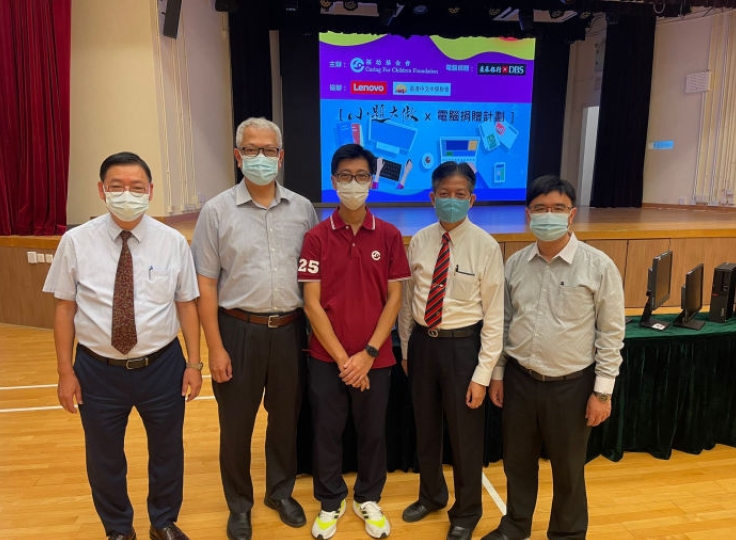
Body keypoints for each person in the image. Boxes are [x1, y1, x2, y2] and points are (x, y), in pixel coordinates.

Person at [43, 151, 203, 540]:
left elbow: (186, 304)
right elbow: (64, 308)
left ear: (151, 191)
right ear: (102, 190)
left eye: (136, 187)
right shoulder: (76, 242)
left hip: (162, 365)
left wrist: (194, 364)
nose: (127, 194)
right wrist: (65, 372)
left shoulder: (173, 242)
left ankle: (163, 521)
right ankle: (118, 529)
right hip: (97, 370)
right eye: (117, 187)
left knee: (167, 451)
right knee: (104, 457)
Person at [191, 117, 318, 540]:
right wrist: (215, 347)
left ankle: (279, 493)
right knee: (236, 425)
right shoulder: (216, 211)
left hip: (290, 331)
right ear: (237, 155)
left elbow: (313, 276)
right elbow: (205, 284)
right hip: (237, 330)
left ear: (281, 157)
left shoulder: (302, 209)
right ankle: (239, 505)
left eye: (268, 150)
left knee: (285, 421)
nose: (260, 157)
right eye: (251, 149)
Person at [481, 175, 625, 540]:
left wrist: (603, 392)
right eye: (540, 208)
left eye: (558, 208)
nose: (549, 215)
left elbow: (611, 333)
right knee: (517, 463)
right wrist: (498, 373)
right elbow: (505, 321)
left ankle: (567, 534)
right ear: (528, 214)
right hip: (520, 381)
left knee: (568, 469)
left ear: (572, 214)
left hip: (571, 387)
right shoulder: (515, 264)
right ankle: (515, 526)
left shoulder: (598, 266)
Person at [298, 143, 411, 540]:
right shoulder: (315, 237)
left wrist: (368, 354)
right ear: (334, 181)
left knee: (373, 432)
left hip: (375, 359)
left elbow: (395, 299)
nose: (353, 183)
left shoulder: (390, 235)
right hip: (326, 358)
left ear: (372, 181)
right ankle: (330, 501)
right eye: (345, 176)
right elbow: (312, 304)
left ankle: (368, 497)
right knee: (327, 432)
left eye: (361, 176)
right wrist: (345, 360)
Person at [398, 161, 505, 540]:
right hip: (423, 346)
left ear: (472, 200)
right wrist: (407, 349)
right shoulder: (419, 241)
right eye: (444, 194)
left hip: (464, 348)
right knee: (425, 428)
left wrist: (484, 374)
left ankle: (467, 510)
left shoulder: (486, 246)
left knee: (465, 437)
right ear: (432, 197)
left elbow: (495, 316)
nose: (451, 200)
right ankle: (431, 495)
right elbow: (408, 300)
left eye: (460, 194)